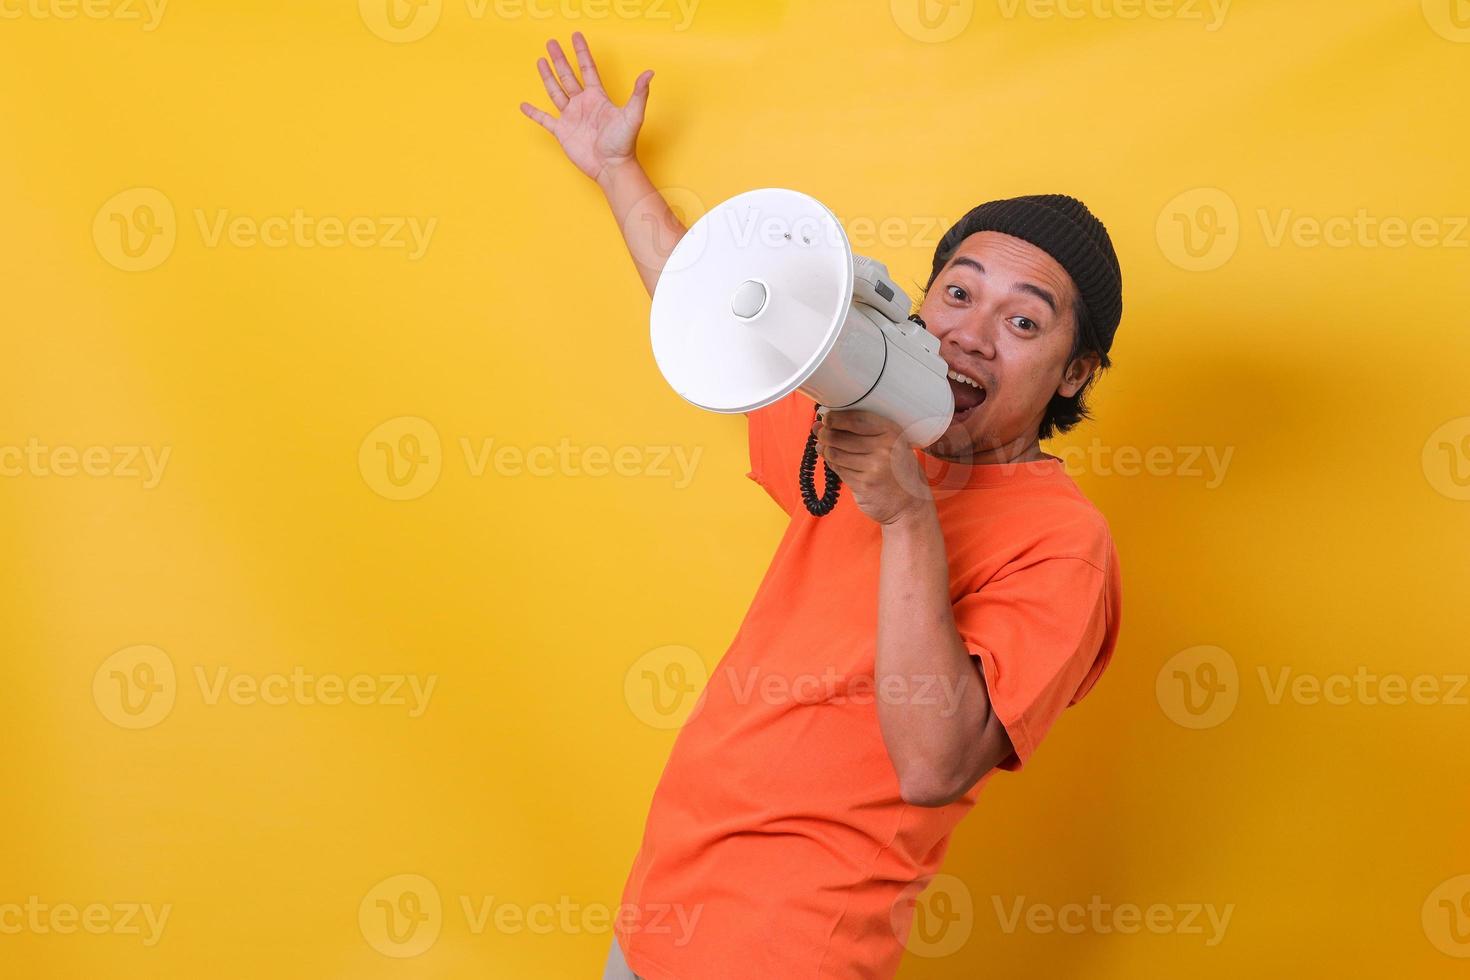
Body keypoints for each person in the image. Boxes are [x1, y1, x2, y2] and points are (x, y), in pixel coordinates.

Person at [521, 33, 1124, 980]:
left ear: (1074, 373)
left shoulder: (1063, 546)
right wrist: (614, 166)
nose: (970, 332)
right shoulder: (860, 425)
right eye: (956, 292)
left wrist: (908, 514)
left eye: (1022, 320)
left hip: (785, 951)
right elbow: (714, 305)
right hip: (658, 919)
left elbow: (935, 765)